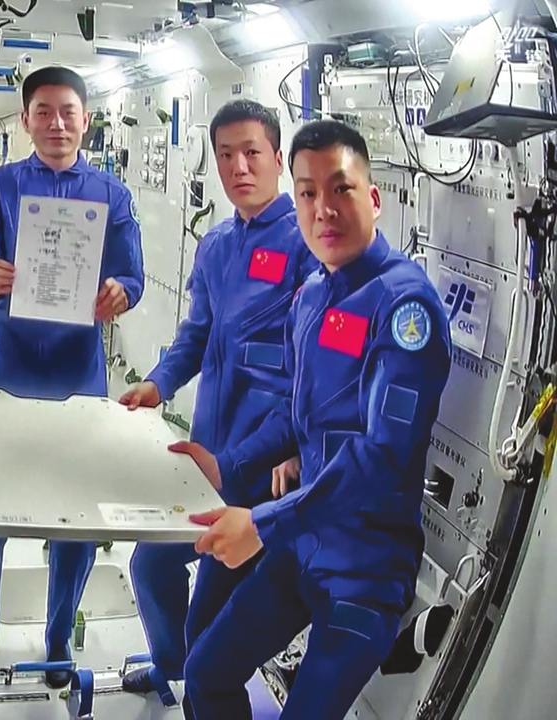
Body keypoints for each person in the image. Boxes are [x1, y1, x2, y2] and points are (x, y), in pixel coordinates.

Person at [175, 119, 452, 719]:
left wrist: (265, 523)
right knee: (206, 672)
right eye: (307, 193)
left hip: (365, 570)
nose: (323, 208)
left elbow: (381, 458)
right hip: (302, 549)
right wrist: (228, 466)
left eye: (340, 188)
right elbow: (295, 416)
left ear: (373, 198)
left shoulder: (405, 307)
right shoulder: (311, 299)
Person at [117, 100, 317, 705]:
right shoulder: (217, 244)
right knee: (150, 566)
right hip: (207, 458)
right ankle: (174, 668)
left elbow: (316, 378)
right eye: (225, 155)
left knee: (210, 637)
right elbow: (197, 334)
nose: (238, 167)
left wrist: (294, 450)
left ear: (278, 158)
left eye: (252, 152)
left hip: (261, 471)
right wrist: (159, 383)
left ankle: (197, 679)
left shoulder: (307, 244)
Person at [0, 65, 144, 690]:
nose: (57, 123)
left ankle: (59, 637)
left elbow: (132, 274)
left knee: (74, 521)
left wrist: (122, 290)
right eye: (44, 111)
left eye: (68, 111)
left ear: (86, 119)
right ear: (25, 120)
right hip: (5, 364)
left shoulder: (112, 195)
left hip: (76, 372)